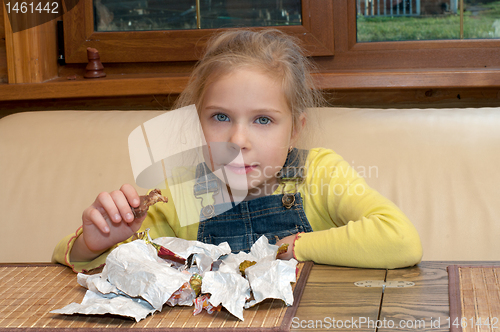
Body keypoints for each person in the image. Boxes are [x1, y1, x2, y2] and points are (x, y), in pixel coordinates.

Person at [53, 29, 422, 273]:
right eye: (220, 117)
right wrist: (93, 243)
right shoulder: (179, 194)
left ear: (295, 130)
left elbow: (400, 239)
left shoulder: (321, 174)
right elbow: (77, 259)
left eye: (263, 120)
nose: (238, 140)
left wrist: (300, 247)